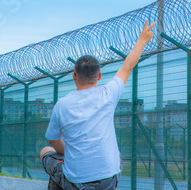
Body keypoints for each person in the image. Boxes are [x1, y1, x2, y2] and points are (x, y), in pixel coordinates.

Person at [40, 19, 156, 190]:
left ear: (74, 76)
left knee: (45, 151)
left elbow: (54, 141)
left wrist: (69, 153)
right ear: (99, 76)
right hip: (108, 181)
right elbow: (127, 67)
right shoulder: (108, 94)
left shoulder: (61, 105)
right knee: (115, 154)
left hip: (76, 183)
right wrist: (142, 40)